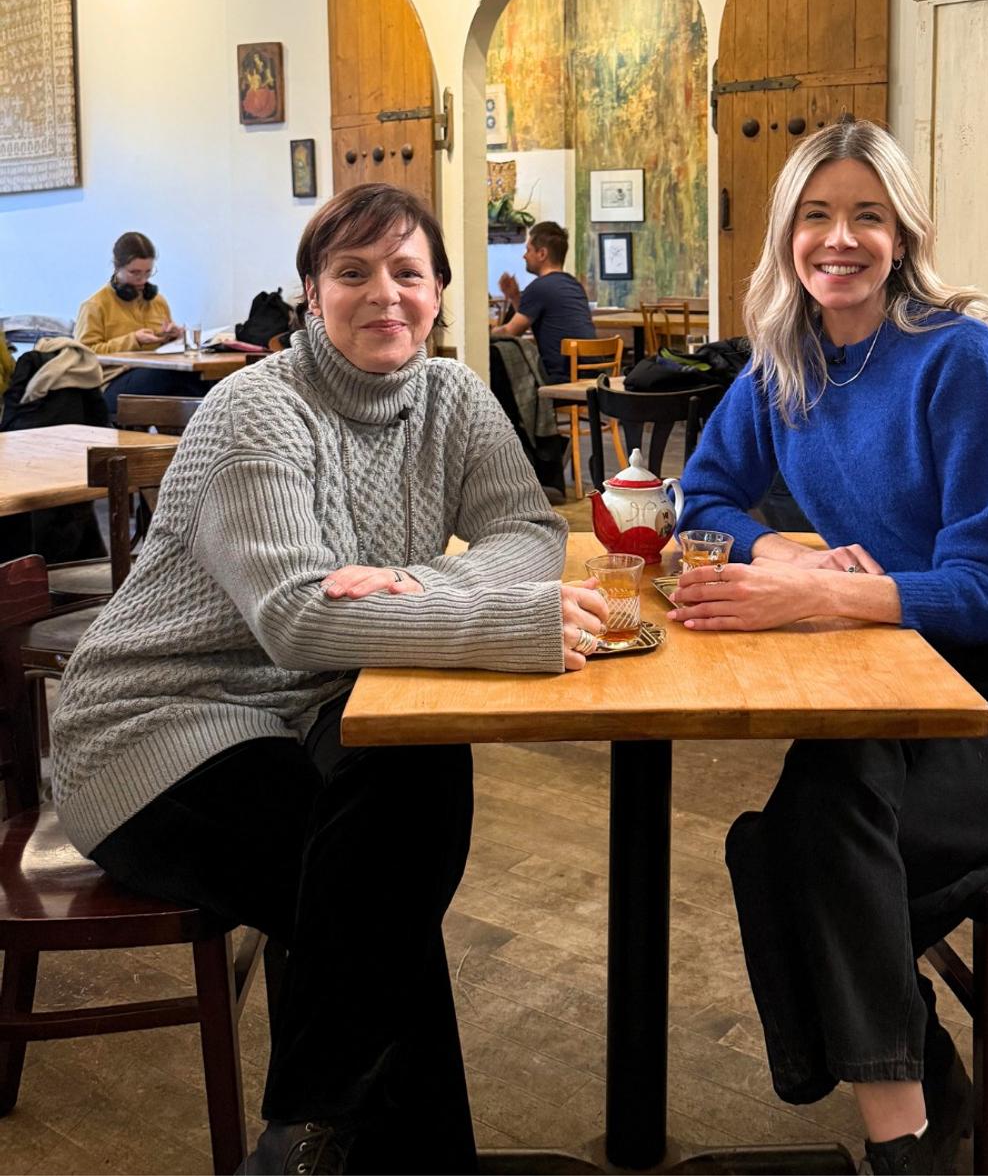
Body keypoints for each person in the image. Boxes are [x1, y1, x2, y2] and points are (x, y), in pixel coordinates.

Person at [50, 184, 607, 1175]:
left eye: (408, 272)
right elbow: (300, 619)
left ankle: (314, 1134)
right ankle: (335, 1141)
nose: (383, 295)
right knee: (378, 894)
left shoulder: (451, 396)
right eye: (352, 272)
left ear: (441, 292)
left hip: (307, 711)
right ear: (311, 293)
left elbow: (526, 530)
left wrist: (413, 583)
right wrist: (498, 620)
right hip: (157, 731)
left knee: (412, 781)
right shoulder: (256, 411)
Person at [670, 119, 988, 1176]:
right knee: (795, 828)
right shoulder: (787, 362)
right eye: (817, 215)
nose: (841, 239)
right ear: (787, 236)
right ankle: (925, 1087)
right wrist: (787, 551)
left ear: (904, 232)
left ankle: (905, 1146)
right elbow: (705, 496)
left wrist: (803, 602)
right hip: (900, 680)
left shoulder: (959, 361)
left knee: (813, 848)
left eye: (867, 214)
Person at [74, 231, 197, 414]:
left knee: (202, 380)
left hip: (153, 373)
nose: (143, 280)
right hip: (111, 382)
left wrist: (173, 337)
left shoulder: (158, 302)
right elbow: (84, 356)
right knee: (173, 376)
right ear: (117, 267)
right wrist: (133, 340)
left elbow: (165, 351)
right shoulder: (95, 306)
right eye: (135, 273)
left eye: (148, 272)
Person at [490, 220, 595, 383]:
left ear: (542, 254)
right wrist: (515, 297)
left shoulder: (539, 287)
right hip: (593, 375)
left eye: (528, 249)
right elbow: (533, 319)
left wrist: (485, 334)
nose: (524, 255)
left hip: (563, 378)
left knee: (500, 367)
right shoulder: (574, 285)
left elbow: (511, 332)